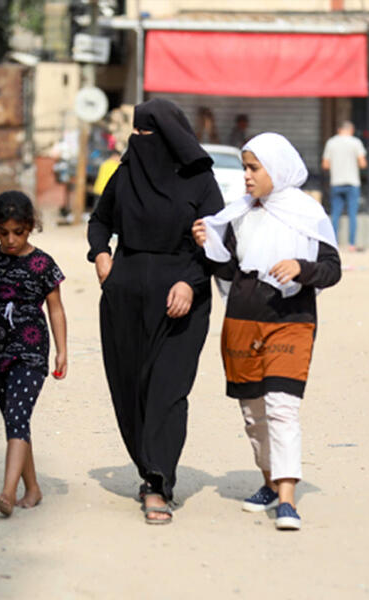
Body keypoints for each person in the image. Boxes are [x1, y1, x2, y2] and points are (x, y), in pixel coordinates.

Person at [192, 132, 342, 531]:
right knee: (253, 414)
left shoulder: (308, 213)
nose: (246, 176)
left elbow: (332, 268)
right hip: (241, 319)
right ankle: (270, 483)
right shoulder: (237, 213)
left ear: (276, 168)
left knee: (281, 407)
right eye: (244, 167)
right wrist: (208, 245)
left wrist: (300, 267)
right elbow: (229, 271)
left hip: (291, 319)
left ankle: (288, 501)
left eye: (254, 168)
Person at [87, 98, 223, 524]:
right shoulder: (126, 173)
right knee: (130, 389)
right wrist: (100, 254)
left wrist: (192, 280)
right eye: (136, 133)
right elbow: (99, 219)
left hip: (182, 297)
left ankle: (159, 482)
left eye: (146, 134)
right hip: (124, 296)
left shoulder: (201, 181)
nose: (138, 142)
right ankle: (147, 464)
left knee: (167, 390)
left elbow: (219, 241)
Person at [0, 191, 68, 517]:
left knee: (18, 417)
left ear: (30, 227)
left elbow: (56, 310)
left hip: (32, 350)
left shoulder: (43, 264)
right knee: (15, 420)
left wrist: (62, 351)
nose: (10, 240)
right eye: (3, 232)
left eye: (17, 232)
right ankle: (33, 489)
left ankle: (8, 492)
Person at [322, 120, 367, 252]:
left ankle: (333, 244)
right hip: (352, 182)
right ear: (351, 130)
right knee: (352, 215)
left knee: (335, 214)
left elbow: (325, 165)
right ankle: (351, 244)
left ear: (339, 130)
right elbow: (363, 163)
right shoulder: (356, 142)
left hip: (336, 182)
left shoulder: (331, 143)